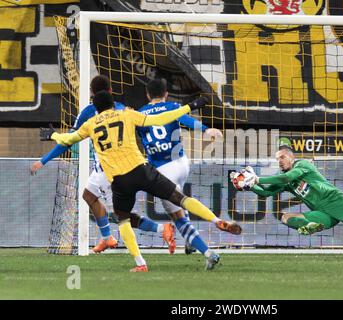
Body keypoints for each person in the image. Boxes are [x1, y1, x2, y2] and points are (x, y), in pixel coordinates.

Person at [44, 90, 241, 272]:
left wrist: (52, 134)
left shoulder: (90, 124)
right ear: (113, 103)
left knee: (122, 219)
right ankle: (216, 220)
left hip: (120, 181)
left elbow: (67, 140)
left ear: (95, 107)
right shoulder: (127, 114)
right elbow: (160, 118)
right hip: (142, 170)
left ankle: (140, 263)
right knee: (180, 198)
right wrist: (191, 105)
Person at [31, 75, 175, 254]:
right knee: (88, 195)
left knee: (118, 214)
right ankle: (107, 238)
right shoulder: (123, 109)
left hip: (110, 171)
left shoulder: (89, 111)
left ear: (92, 93)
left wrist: (43, 160)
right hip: (119, 166)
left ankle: (161, 230)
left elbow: (67, 141)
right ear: (110, 91)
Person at [137, 78, 223, 257]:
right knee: (180, 199)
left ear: (147, 95)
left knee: (178, 217)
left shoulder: (140, 114)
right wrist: (207, 130)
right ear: (166, 93)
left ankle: (207, 253)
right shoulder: (173, 107)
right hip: (182, 163)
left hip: (162, 170)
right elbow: (187, 120)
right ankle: (191, 243)